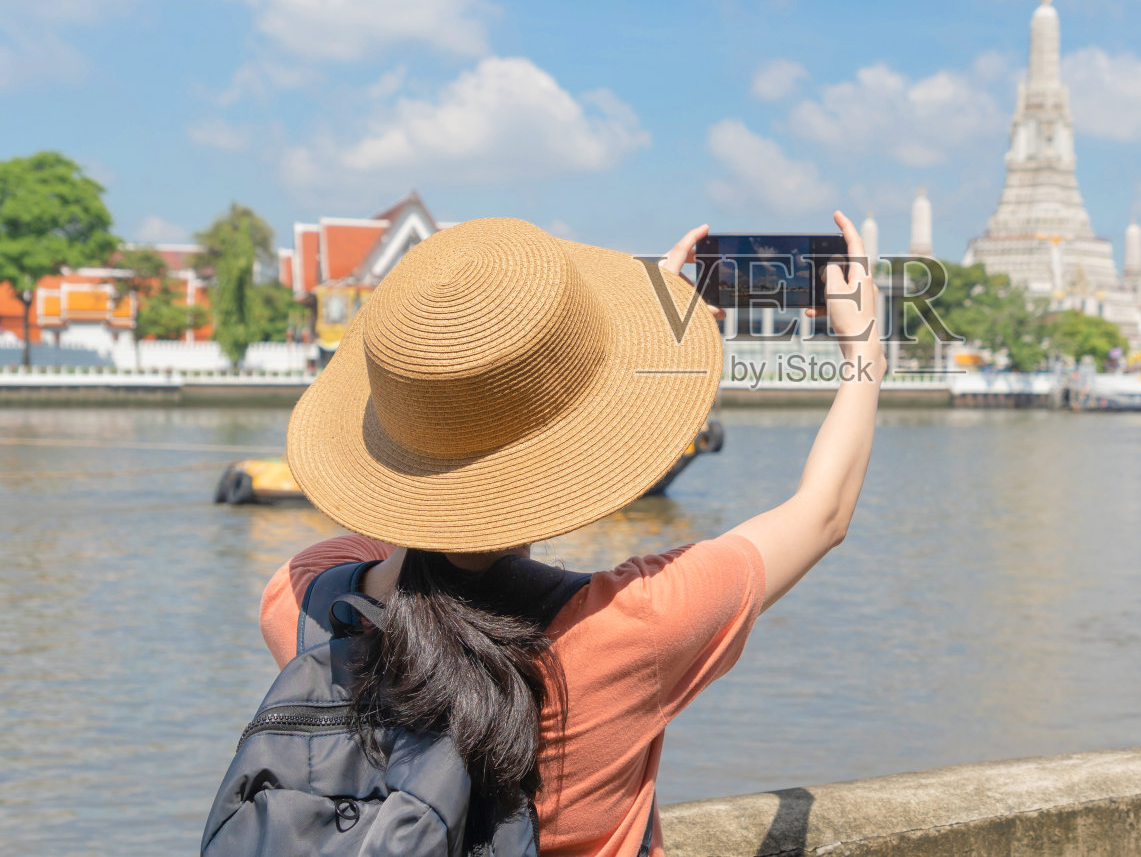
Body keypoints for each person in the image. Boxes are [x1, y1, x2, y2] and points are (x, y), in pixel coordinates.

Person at [256, 211, 883, 857]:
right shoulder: (631, 627)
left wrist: (448, 447)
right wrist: (864, 354)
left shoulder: (304, 601)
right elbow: (823, 512)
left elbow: (404, 535)